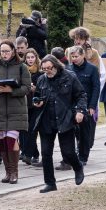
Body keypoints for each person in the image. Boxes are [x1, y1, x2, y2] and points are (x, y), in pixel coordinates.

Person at [33, 55, 86, 192]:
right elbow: (37, 95)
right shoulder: (41, 79)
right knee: (45, 153)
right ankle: (50, 183)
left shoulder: (69, 76)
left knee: (68, 152)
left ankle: (78, 167)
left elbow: (81, 95)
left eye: (49, 68)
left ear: (56, 65)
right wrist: (37, 101)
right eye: (44, 69)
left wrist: (80, 111)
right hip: (46, 120)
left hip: (65, 119)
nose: (47, 71)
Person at [0, 41, 31, 184]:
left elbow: (27, 88)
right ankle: (7, 172)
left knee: (11, 140)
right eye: (2, 51)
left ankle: (14, 172)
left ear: (13, 51)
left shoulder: (22, 67)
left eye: (7, 51)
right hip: (0, 108)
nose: (4, 54)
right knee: (1, 141)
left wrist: (11, 90)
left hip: (17, 109)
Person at [66, 45, 99, 164]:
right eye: (72, 56)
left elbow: (96, 88)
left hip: (86, 105)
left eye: (76, 56)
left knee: (85, 132)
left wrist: (92, 106)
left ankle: (83, 157)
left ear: (83, 55)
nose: (74, 58)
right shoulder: (68, 69)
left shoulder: (92, 69)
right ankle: (74, 152)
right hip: (71, 105)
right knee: (73, 131)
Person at [21, 50, 42, 166]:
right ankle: (30, 153)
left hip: (35, 105)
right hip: (24, 103)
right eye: (28, 57)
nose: (30, 59)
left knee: (32, 130)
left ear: (36, 58)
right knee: (25, 130)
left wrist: (35, 89)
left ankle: (31, 154)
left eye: (32, 57)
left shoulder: (39, 73)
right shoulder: (23, 71)